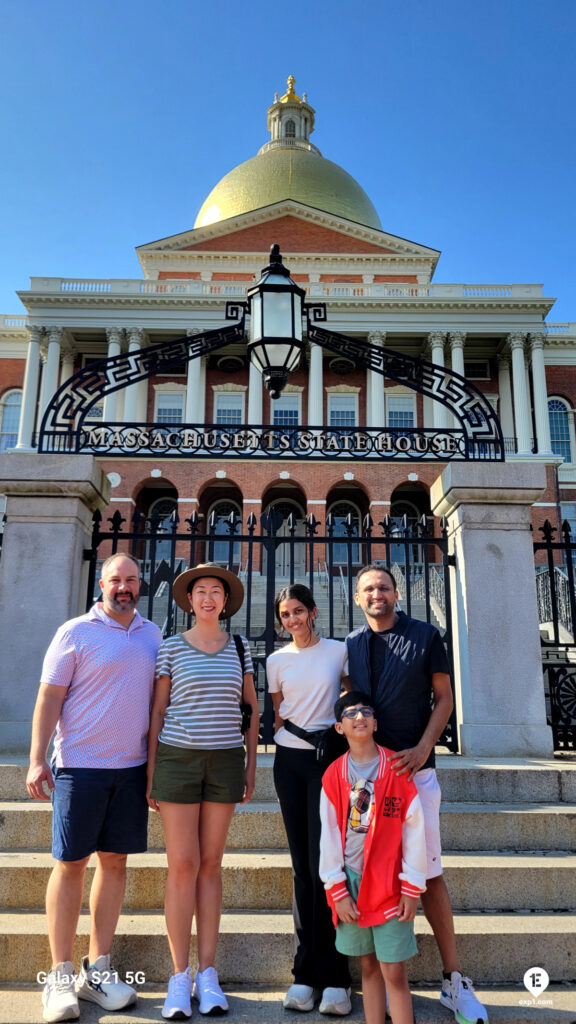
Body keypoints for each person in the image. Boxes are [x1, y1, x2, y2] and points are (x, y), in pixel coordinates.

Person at [347, 564, 488, 1024]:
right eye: (368, 589)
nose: (377, 594)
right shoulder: (352, 644)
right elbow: (350, 702)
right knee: (373, 873)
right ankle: (390, 984)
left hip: (415, 773)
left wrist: (425, 747)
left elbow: (444, 698)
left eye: (384, 587)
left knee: (427, 874)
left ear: (396, 593)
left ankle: (454, 980)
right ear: (357, 598)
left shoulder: (426, 636)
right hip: (369, 780)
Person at [26, 553, 163, 1024]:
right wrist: (36, 758)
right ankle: (59, 975)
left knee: (115, 863)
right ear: (101, 584)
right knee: (70, 865)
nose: (124, 587)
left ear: (141, 584)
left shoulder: (152, 634)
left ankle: (97, 970)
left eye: (132, 579)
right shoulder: (74, 632)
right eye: (115, 580)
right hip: (79, 767)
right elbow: (49, 696)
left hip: (131, 769)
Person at [147, 563, 259, 1021]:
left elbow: (251, 709)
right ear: (189, 601)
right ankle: (179, 975)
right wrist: (151, 771)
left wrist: (251, 766)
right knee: (183, 864)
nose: (209, 598)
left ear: (225, 601)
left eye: (216, 591)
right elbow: (158, 711)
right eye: (201, 592)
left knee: (211, 863)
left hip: (225, 759)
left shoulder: (240, 647)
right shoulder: (171, 647)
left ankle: (207, 973)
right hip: (177, 759)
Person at [266, 583, 352, 1015]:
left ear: (313, 612)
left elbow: (349, 700)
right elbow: (279, 713)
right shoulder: (276, 660)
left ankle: (336, 975)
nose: (293, 620)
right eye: (286, 614)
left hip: (329, 761)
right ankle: (304, 973)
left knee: (328, 864)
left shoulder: (338, 652)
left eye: (298, 611)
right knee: (302, 866)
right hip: (289, 762)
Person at [319, 691, 427, 1024]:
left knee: (393, 970)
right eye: (351, 713)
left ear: (376, 723)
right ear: (339, 728)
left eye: (366, 712)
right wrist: (336, 890)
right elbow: (329, 836)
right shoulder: (333, 775)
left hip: (390, 884)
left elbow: (414, 830)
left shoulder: (397, 769)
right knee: (367, 965)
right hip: (351, 882)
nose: (360, 717)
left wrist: (412, 886)